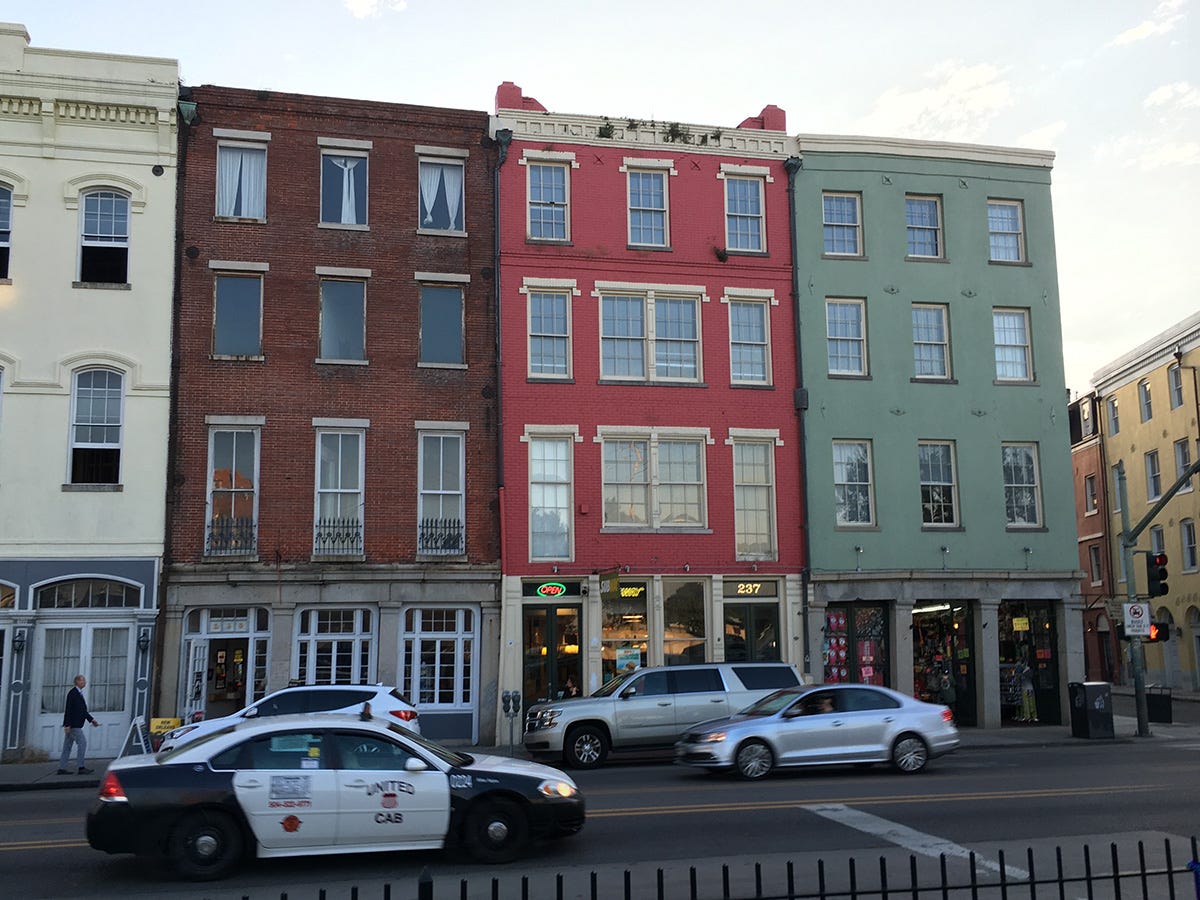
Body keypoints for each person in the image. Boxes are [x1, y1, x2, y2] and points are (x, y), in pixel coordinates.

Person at [59, 675, 99, 774]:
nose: (85, 682)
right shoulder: (73, 693)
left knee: (67, 746)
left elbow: (82, 710)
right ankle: (81, 767)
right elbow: (68, 709)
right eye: (83, 680)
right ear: (77, 681)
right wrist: (67, 724)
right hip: (73, 724)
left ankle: (62, 768)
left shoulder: (78, 693)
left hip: (74, 724)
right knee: (82, 743)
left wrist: (91, 719)